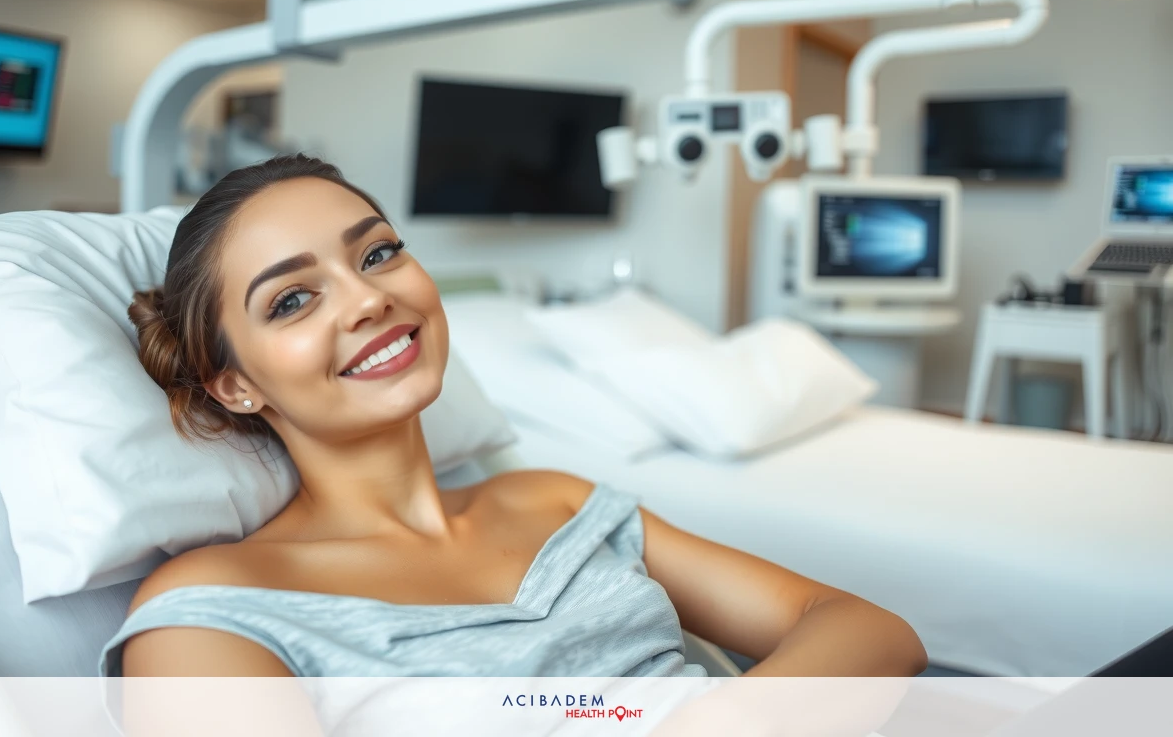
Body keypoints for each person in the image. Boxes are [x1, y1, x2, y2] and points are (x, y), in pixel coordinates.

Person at [100, 154, 927, 682]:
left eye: (377, 252)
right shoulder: (217, 603)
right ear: (235, 386)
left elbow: (873, 631)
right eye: (292, 300)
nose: (369, 299)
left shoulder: (553, 503)